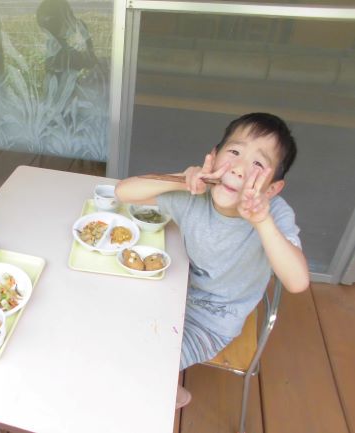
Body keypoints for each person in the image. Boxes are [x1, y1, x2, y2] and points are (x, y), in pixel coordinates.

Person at [115, 112, 310, 409]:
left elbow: (297, 281)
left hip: (213, 323)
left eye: (258, 164)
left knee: (143, 369)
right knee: (110, 329)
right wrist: (182, 180)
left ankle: (175, 395)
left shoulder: (273, 214)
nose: (239, 168)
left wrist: (262, 221)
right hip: (171, 293)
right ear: (214, 156)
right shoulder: (196, 195)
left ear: (271, 189)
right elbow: (124, 192)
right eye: (234, 152)